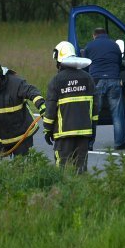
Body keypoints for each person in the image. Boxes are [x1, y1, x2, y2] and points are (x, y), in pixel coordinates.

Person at [43, 41, 98, 174]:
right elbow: (95, 109)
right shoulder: (88, 78)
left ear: (59, 59)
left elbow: (50, 109)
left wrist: (47, 130)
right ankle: (80, 193)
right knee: (80, 169)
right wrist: (92, 131)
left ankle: (61, 193)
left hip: (63, 135)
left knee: (61, 169)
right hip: (84, 133)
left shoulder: (56, 81)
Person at [0, 59, 46, 156]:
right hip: (0, 138)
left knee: (20, 167)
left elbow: (31, 92)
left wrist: (41, 106)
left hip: (21, 136)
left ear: (0, 74)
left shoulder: (16, 83)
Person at [84, 27, 125, 150]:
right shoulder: (115, 45)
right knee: (117, 113)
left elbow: (86, 65)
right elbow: (120, 63)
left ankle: (89, 144)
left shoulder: (89, 46)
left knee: (93, 114)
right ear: (106, 35)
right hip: (114, 80)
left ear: (94, 36)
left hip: (96, 81)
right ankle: (119, 143)